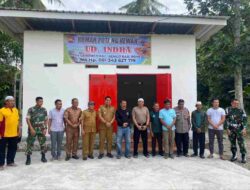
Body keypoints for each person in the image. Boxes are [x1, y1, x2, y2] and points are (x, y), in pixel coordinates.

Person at [25, 97, 48, 165]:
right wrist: (31, 129)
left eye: (42, 101)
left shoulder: (44, 110)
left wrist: (45, 128)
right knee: (30, 143)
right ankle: (28, 158)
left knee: (43, 143)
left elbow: (46, 119)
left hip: (41, 129)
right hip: (33, 129)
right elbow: (27, 119)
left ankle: (43, 157)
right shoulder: (31, 109)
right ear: (36, 101)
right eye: (40, 101)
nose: (41, 103)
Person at [0, 96, 21, 171]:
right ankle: (1, 164)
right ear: (6, 102)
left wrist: (19, 131)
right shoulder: (2, 110)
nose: (12, 102)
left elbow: (18, 121)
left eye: (13, 101)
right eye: (10, 101)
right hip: (4, 134)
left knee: (13, 148)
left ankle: (10, 162)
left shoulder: (15, 110)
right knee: (1, 150)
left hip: (14, 134)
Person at [225, 99, 248, 163]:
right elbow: (225, 120)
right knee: (232, 143)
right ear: (231, 103)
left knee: (241, 143)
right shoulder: (227, 110)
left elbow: (245, 119)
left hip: (239, 129)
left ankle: (243, 156)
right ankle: (234, 155)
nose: (236, 104)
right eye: (235, 103)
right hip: (231, 129)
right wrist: (227, 129)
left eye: (237, 103)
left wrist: (244, 128)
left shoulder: (241, 110)